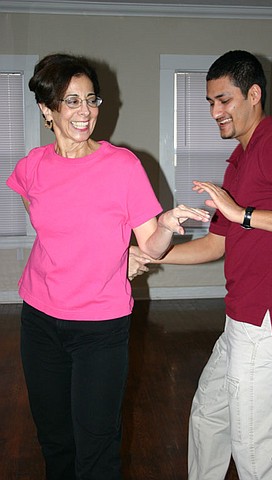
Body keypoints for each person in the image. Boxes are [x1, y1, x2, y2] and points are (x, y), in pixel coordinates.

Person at [6, 53, 210, 480]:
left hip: (100, 327)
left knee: (97, 445)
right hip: (40, 320)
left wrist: (168, 226)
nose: (86, 112)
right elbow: (47, 229)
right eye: (72, 101)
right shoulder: (31, 168)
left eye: (91, 100)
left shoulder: (122, 166)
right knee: (54, 439)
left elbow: (150, 247)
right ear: (47, 109)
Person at [132, 50, 272, 479]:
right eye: (210, 103)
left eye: (224, 100)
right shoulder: (240, 157)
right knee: (209, 416)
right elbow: (216, 244)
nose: (215, 111)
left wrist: (243, 214)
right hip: (241, 318)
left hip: (266, 321)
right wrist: (150, 251)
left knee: (256, 450)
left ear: (254, 94)